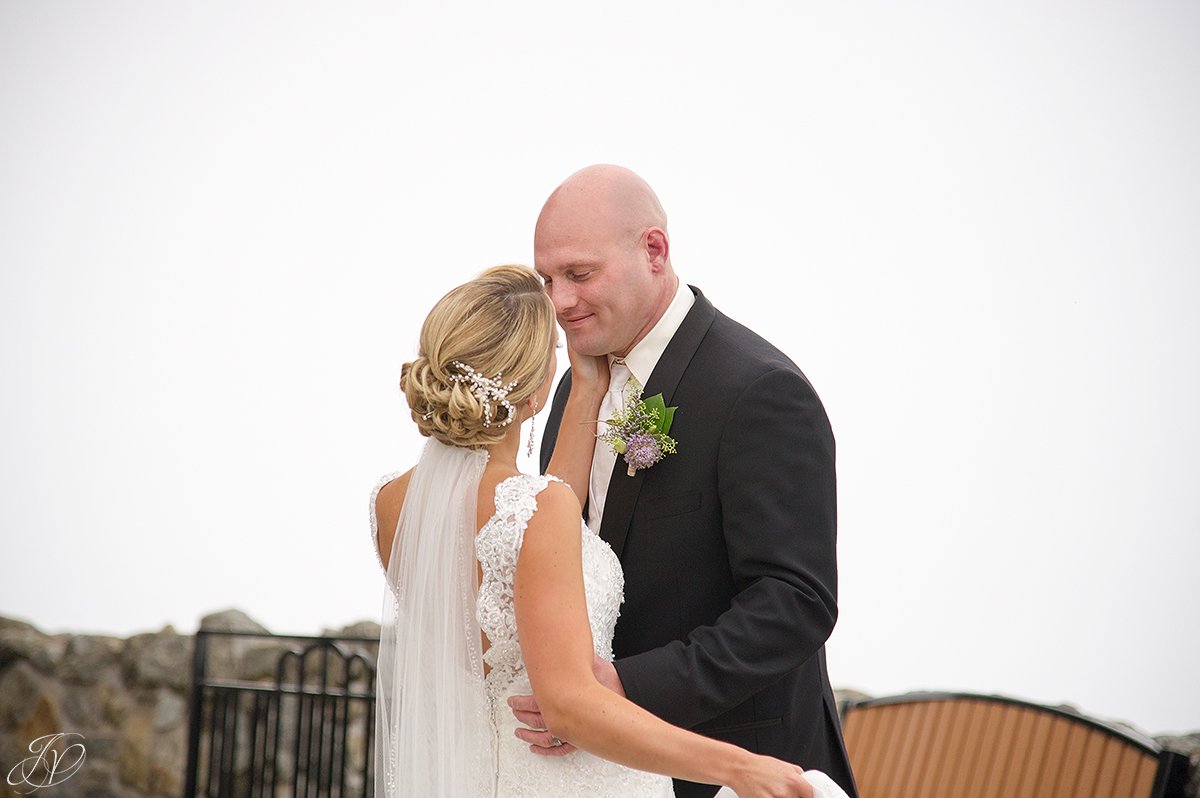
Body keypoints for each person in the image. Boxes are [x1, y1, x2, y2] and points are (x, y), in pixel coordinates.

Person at [370, 264, 848, 797]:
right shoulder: (535, 509)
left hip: (482, 769)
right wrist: (739, 768)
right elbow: (572, 708)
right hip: (573, 773)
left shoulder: (393, 502)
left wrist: (588, 389)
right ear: (532, 395)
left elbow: (540, 523)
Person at [515, 165, 859, 798]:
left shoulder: (759, 390)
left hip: (738, 770)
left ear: (654, 250)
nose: (559, 302)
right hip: (599, 773)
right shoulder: (573, 390)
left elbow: (795, 601)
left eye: (580, 274)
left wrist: (624, 688)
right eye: (548, 279)